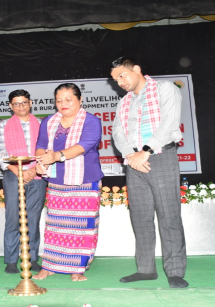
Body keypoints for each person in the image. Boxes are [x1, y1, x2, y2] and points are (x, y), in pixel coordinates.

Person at [111, 57, 188, 288]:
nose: (119, 82)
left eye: (122, 75)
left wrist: (145, 151)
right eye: (115, 80)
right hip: (134, 163)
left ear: (137, 69)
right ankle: (145, 269)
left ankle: (175, 271)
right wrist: (131, 156)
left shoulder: (165, 89)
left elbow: (169, 122)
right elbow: (117, 133)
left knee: (169, 215)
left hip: (160, 157)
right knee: (140, 216)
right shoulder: (124, 102)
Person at [33, 83, 104, 282]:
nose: (62, 104)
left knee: (81, 226)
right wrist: (40, 161)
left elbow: (84, 146)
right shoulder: (49, 121)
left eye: (68, 99)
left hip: (84, 180)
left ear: (80, 100)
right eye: (58, 100)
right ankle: (49, 266)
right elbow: (40, 146)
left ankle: (77, 267)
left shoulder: (91, 121)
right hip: (57, 180)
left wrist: (57, 155)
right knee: (55, 225)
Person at [0, 89, 47, 274]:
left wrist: (32, 170)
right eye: (16, 103)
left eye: (24, 102)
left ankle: (33, 258)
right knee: (12, 218)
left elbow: (46, 151)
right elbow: (0, 153)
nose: (20, 106)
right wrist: (18, 171)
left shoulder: (42, 124)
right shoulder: (2, 126)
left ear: (30, 103)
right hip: (12, 175)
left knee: (33, 218)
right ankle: (10, 260)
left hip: (38, 175)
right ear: (10, 106)